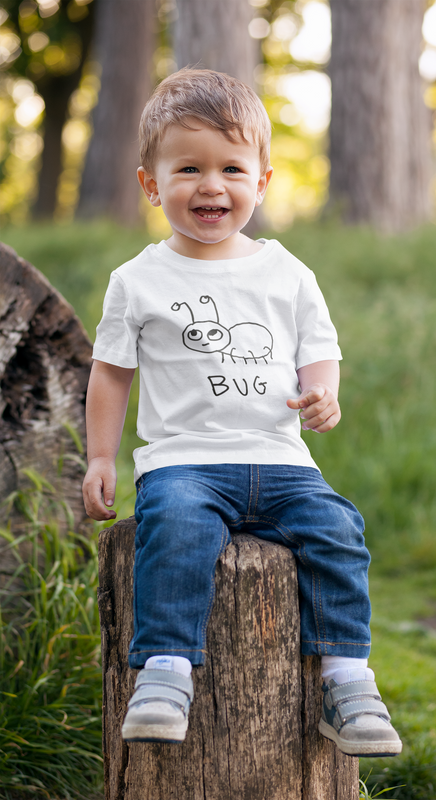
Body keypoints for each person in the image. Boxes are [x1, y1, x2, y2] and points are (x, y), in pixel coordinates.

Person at [82, 68, 402, 758]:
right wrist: (102, 457)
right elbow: (110, 374)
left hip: (281, 460)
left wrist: (322, 392)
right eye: (188, 168)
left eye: (231, 168)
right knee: (175, 531)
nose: (210, 185)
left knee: (338, 529)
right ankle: (165, 671)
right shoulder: (137, 281)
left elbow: (318, 350)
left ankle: (347, 680)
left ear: (259, 182)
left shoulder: (286, 272)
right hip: (185, 461)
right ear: (150, 184)